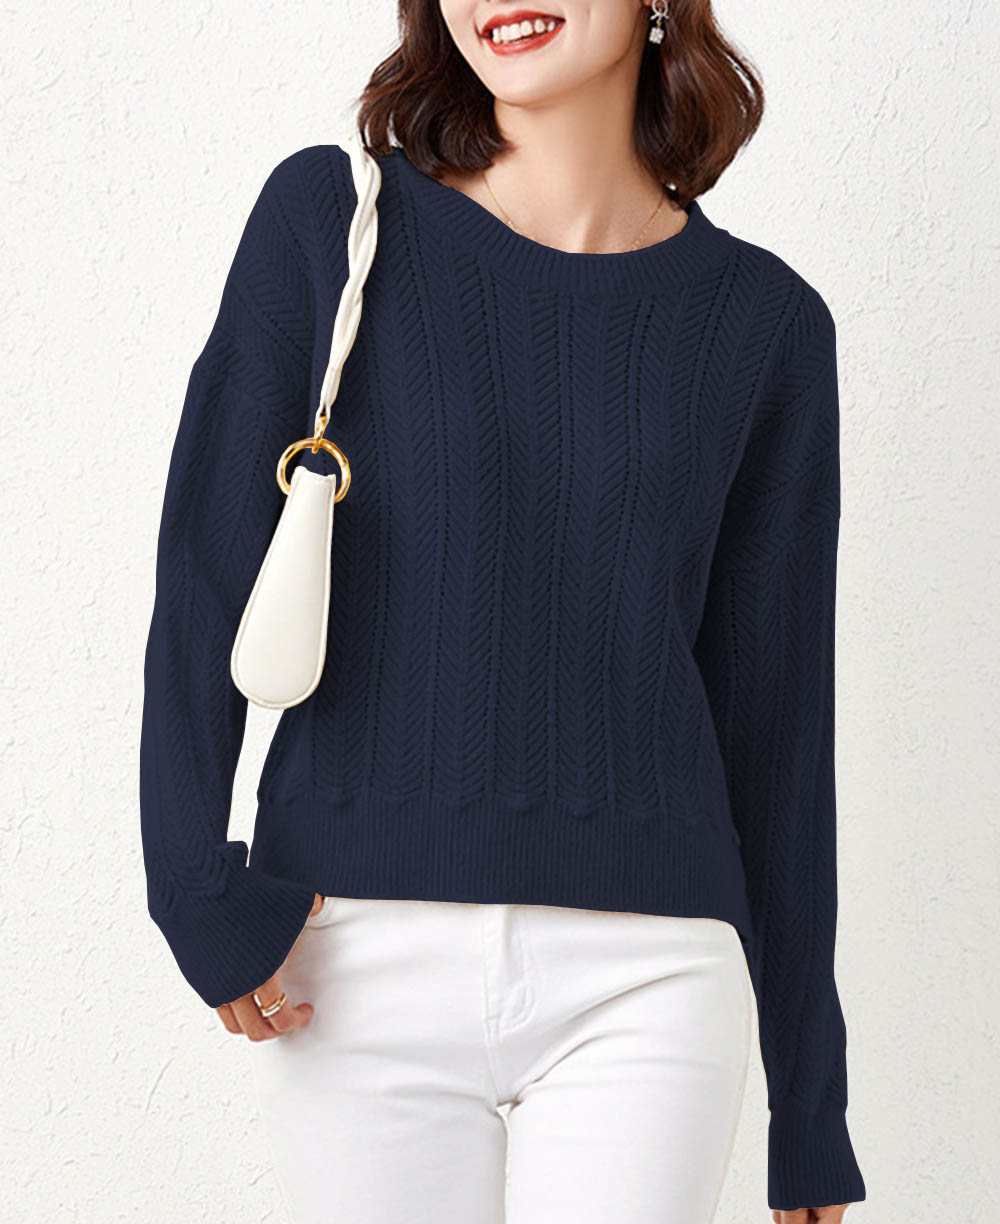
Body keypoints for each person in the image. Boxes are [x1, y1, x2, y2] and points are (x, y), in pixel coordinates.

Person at [139, 2, 868, 1221]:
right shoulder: (330, 224)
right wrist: (192, 887)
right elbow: (203, 576)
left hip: (651, 977)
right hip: (352, 961)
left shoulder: (764, 325)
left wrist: (810, 1101)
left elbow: (777, 727)